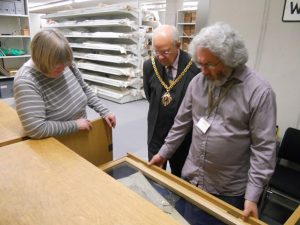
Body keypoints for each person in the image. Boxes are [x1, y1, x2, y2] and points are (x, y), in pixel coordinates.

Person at [149, 22, 277, 223]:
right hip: (191, 179)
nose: (203, 71)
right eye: (200, 64)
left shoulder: (259, 92)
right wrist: (163, 154)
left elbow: (263, 149)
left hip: (227, 190)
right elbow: (180, 123)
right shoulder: (197, 82)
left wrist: (252, 197)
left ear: (231, 59)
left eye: (209, 64)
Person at [14, 29, 116, 139]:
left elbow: (84, 89)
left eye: (66, 65)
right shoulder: (26, 80)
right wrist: (74, 125)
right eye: (58, 68)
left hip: (80, 134)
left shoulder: (65, 63)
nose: (64, 70)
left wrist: (104, 111)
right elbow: (36, 129)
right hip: (57, 144)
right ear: (42, 61)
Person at [143, 25, 200, 177]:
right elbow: (150, 95)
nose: (160, 57)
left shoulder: (194, 69)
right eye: (157, 51)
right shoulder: (149, 66)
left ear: (178, 45)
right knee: (155, 172)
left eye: (165, 52)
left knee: (179, 175)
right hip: (156, 130)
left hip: (183, 135)